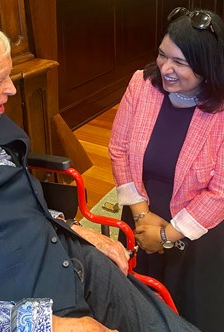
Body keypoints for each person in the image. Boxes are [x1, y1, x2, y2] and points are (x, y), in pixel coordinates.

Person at [0, 18, 200, 332]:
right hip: (20, 305)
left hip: (66, 253)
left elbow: (24, 199)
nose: (12, 89)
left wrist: (73, 229)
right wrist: (48, 325)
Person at [109, 7, 224, 332]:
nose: (166, 69)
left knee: (194, 313)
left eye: (181, 63)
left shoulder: (220, 110)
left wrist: (168, 234)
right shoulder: (141, 84)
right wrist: (143, 216)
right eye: (162, 55)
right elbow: (118, 150)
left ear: (206, 67)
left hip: (197, 227)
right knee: (136, 305)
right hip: (141, 211)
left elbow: (220, 191)